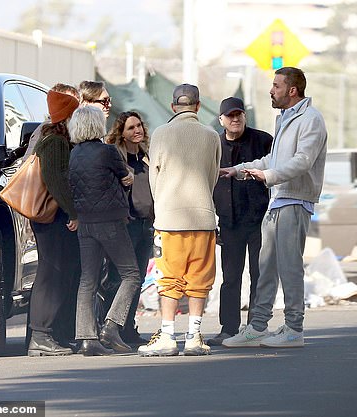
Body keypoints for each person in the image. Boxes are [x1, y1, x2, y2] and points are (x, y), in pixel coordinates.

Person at [220, 67, 327, 349]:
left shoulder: (310, 120)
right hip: (278, 200)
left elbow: (303, 161)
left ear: (292, 90)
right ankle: (257, 327)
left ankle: (294, 328)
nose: (271, 90)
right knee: (265, 268)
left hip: (294, 200)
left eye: (276, 86)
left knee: (290, 267)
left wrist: (269, 177)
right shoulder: (286, 118)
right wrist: (238, 170)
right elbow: (272, 160)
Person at [138, 84, 221, 357]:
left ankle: (167, 335)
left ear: (173, 106)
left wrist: (162, 207)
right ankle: (195, 335)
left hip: (170, 219)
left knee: (169, 279)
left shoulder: (161, 134)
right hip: (203, 217)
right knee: (200, 279)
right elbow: (213, 176)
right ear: (198, 106)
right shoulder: (211, 135)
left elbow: (154, 179)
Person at [68, 106, 140, 356]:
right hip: (110, 221)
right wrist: (128, 178)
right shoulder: (108, 151)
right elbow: (125, 175)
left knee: (87, 280)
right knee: (131, 274)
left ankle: (87, 338)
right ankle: (111, 325)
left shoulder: (74, 154)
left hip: (85, 223)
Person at [207, 97, 273, 346]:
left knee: (259, 274)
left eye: (239, 115)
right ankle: (228, 328)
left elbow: (276, 171)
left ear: (245, 116)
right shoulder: (213, 143)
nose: (235, 119)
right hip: (229, 221)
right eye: (230, 116)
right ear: (221, 119)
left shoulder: (263, 140)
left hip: (259, 220)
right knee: (231, 277)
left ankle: (256, 326)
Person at [27, 90, 81, 356]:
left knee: (61, 273)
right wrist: (73, 213)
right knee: (51, 274)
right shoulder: (55, 142)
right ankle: (41, 335)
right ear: (67, 116)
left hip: (55, 218)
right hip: (53, 220)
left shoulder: (59, 140)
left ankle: (54, 334)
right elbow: (56, 181)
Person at [104, 111, 154, 345]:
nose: (137, 131)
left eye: (139, 126)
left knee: (139, 277)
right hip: (127, 224)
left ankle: (128, 325)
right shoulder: (118, 160)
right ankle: (112, 325)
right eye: (131, 128)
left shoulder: (148, 157)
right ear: (121, 134)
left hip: (147, 224)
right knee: (121, 277)